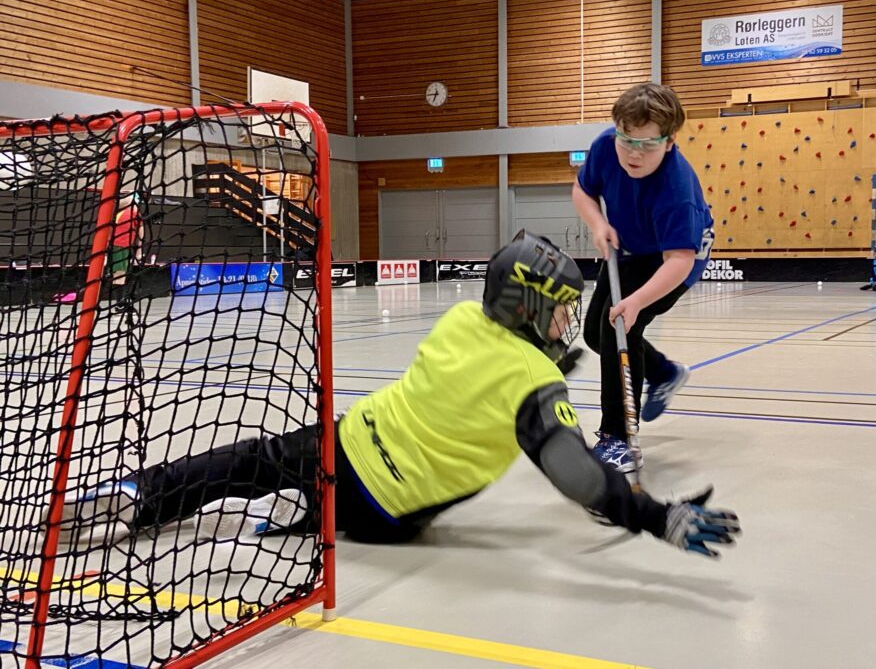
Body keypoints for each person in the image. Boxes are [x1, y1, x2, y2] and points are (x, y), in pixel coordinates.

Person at [60, 232, 740, 558]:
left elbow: (486, 381)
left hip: (347, 444)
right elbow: (577, 475)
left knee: (253, 461)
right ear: (530, 308)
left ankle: (140, 495)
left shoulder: (461, 317)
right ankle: (310, 512)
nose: (568, 321)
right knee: (301, 491)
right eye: (560, 308)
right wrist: (654, 517)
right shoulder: (536, 384)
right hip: (385, 510)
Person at [573, 83, 714, 473]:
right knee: (594, 333)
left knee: (620, 327)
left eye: (648, 144)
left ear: (669, 142)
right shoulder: (605, 147)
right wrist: (598, 223)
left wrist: (635, 302)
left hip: (674, 260)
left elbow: (679, 261)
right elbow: (582, 191)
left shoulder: (677, 189)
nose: (634, 153)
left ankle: (618, 439)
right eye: (627, 140)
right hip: (629, 246)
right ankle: (664, 373)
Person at [110, 193, 144, 286]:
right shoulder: (115, 213)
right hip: (115, 246)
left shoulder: (133, 213)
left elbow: (141, 230)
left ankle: (118, 292)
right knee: (116, 273)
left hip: (121, 246)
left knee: (119, 273)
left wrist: (139, 250)